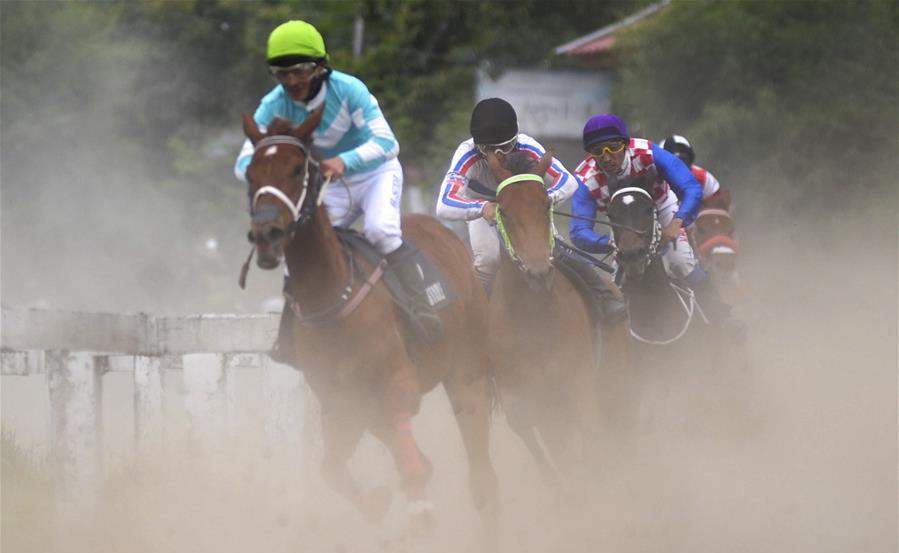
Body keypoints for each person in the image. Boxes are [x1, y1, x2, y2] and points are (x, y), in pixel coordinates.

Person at [234, 20, 441, 354]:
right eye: (281, 73)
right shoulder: (272, 104)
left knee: (381, 231)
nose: (291, 82)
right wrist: (267, 172)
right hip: (330, 183)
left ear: (320, 67)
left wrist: (345, 161)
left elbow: (388, 143)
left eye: (299, 71)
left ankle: (422, 308)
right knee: (297, 247)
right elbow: (243, 161)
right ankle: (290, 333)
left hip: (375, 174)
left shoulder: (349, 90)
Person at [435, 98, 625, 324]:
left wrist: (542, 200)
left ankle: (603, 296)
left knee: (556, 248)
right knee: (488, 260)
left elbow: (568, 181)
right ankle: (476, 319)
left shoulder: (527, 145)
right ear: (477, 145)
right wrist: (482, 207)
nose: (498, 157)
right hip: (485, 204)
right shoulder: (466, 154)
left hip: (526, 203)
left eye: (505, 148)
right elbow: (444, 204)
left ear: (515, 140)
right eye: (488, 150)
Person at [570, 114, 744, 341]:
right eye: (597, 151)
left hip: (661, 207)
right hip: (622, 220)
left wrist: (677, 222)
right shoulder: (584, 179)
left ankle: (722, 317)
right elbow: (578, 230)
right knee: (616, 281)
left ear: (625, 143)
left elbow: (690, 188)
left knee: (681, 262)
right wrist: (609, 243)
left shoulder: (648, 153)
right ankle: (612, 338)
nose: (607, 157)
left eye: (613, 147)